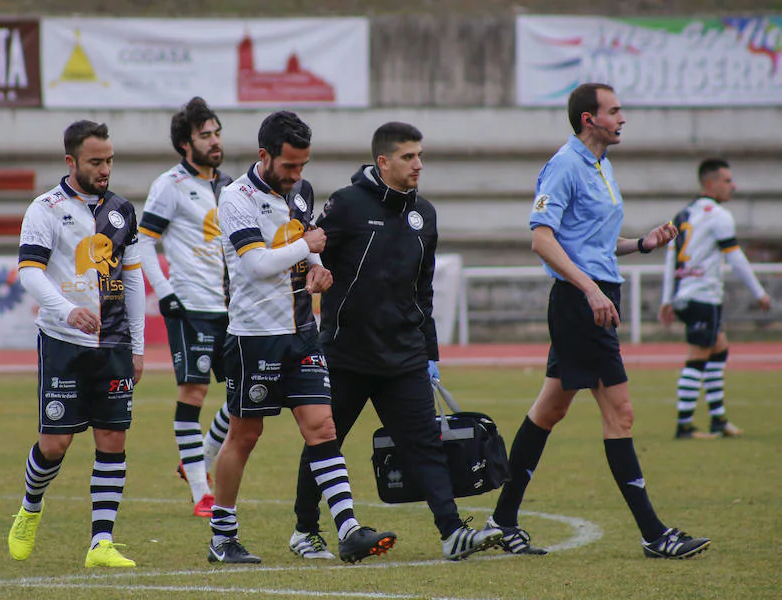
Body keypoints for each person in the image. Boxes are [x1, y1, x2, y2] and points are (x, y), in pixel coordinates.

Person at [485, 83, 711, 559]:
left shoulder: (602, 165)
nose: (623, 118)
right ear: (589, 119)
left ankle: (502, 520)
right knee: (621, 413)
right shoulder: (565, 165)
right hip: (580, 302)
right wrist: (589, 290)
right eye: (614, 110)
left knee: (550, 410)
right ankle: (655, 534)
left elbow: (591, 242)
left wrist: (643, 244)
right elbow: (542, 239)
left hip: (593, 296)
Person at [289, 122, 504, 562]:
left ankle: (451, 532)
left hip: (404, 355)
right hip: (347, 352)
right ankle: (305, 531)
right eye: (408, 157)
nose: (418, 164)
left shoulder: (425, 215)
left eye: (420, 155)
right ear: (383, 162)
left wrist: (430, 355)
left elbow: (423, 293)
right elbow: (309, 259)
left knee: (425, 443)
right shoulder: (346, 206)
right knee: (324, 442)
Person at [209, 110, 396, 565]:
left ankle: (348, 528)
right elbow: (255, 265)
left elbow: (299, 251)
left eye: (303, 166)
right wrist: (308, 248)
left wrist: (317, 271)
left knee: (322, 427)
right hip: (255, 336)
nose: (297, 176)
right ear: (264, 156)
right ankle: (222, 537)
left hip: (301, 332)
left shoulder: (301, 193)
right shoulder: (236, 198)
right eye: (289, 166)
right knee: (245, 435)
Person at [7, 120, 145, 568]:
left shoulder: (123, 209)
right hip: (64, 342)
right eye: (95, 161)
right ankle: (30, 508)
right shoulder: (45, 208)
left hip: (115, 345)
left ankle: (100, 543)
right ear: (71, 161)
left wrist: (138, 345)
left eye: (108, 160)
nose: (104, 169)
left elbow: (133, 277)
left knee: (112, 438)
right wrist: (67, 310)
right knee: (55, 445)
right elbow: (30, 271)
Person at [138, 97, 235, 516]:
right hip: (191, 307)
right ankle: (202, 493)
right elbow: (143, 241)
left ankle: (199, 459)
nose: (214, 141)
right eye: (204, 135)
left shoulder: (230, 186)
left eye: (216, 133)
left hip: (232, 308)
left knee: (249, 392)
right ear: (184, 144)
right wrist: (164, 292)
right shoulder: (169, 186)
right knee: (193, 393)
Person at [658, 158, 772, 439]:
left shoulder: (683, 214)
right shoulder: (719, 216)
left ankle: (718, 420)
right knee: (698, 355)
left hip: (685, 294)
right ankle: (684, 424)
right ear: (710, 183)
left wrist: (667, 299)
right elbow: (735, 258)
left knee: (719, 348)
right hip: (702, 295)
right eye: (727, 180)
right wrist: (759, 292)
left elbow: (671, 257)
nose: (733, 186)